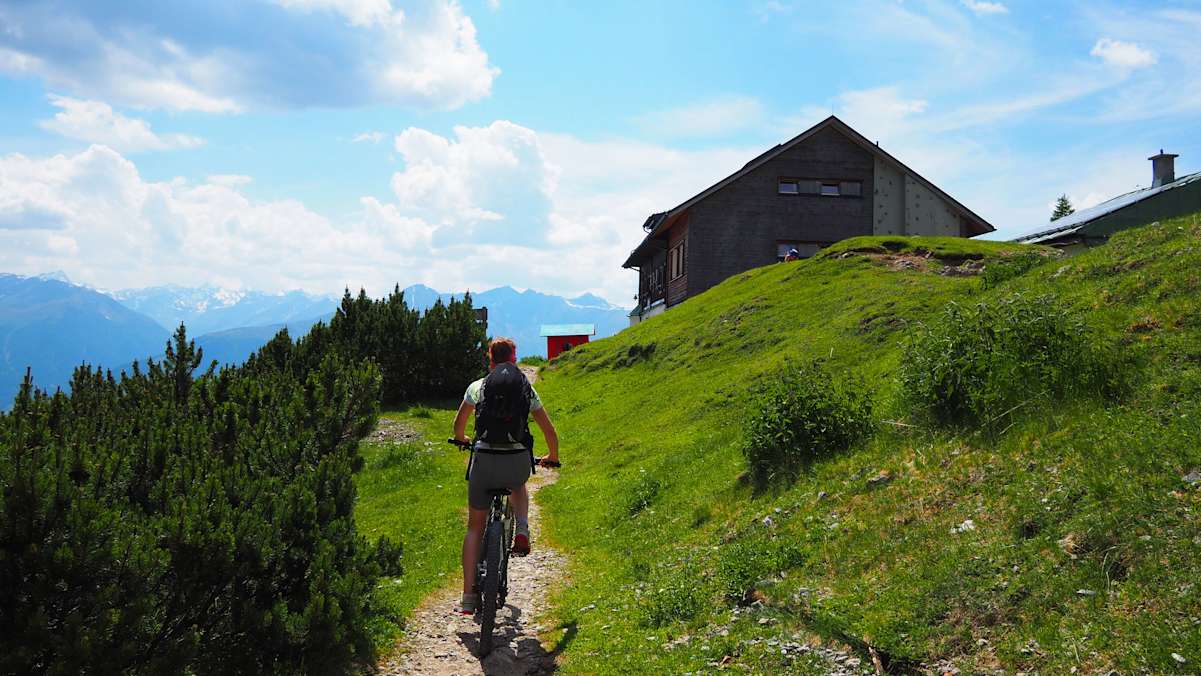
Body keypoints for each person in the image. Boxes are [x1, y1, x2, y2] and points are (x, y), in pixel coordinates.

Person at [452, 337, 559, 616]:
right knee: (518, 485)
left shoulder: (477, 386)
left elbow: (458, 425)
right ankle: (522, 527)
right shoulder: (525, 387)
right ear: (514, 359)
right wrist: (553, 456)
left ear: (490, 360)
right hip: (516, 462)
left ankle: (466, 597)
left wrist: (462, 439)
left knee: (475, 528)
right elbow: (549, 431)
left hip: (484, 462)